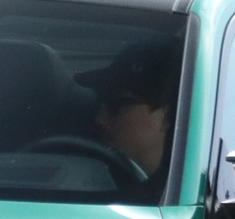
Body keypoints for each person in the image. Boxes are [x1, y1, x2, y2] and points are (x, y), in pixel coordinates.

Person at [78, 44, 181, 195]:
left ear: (166, 116)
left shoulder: (189, 196)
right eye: (100, 102)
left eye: (117, 105)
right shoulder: (79, 180)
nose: (100, 119)